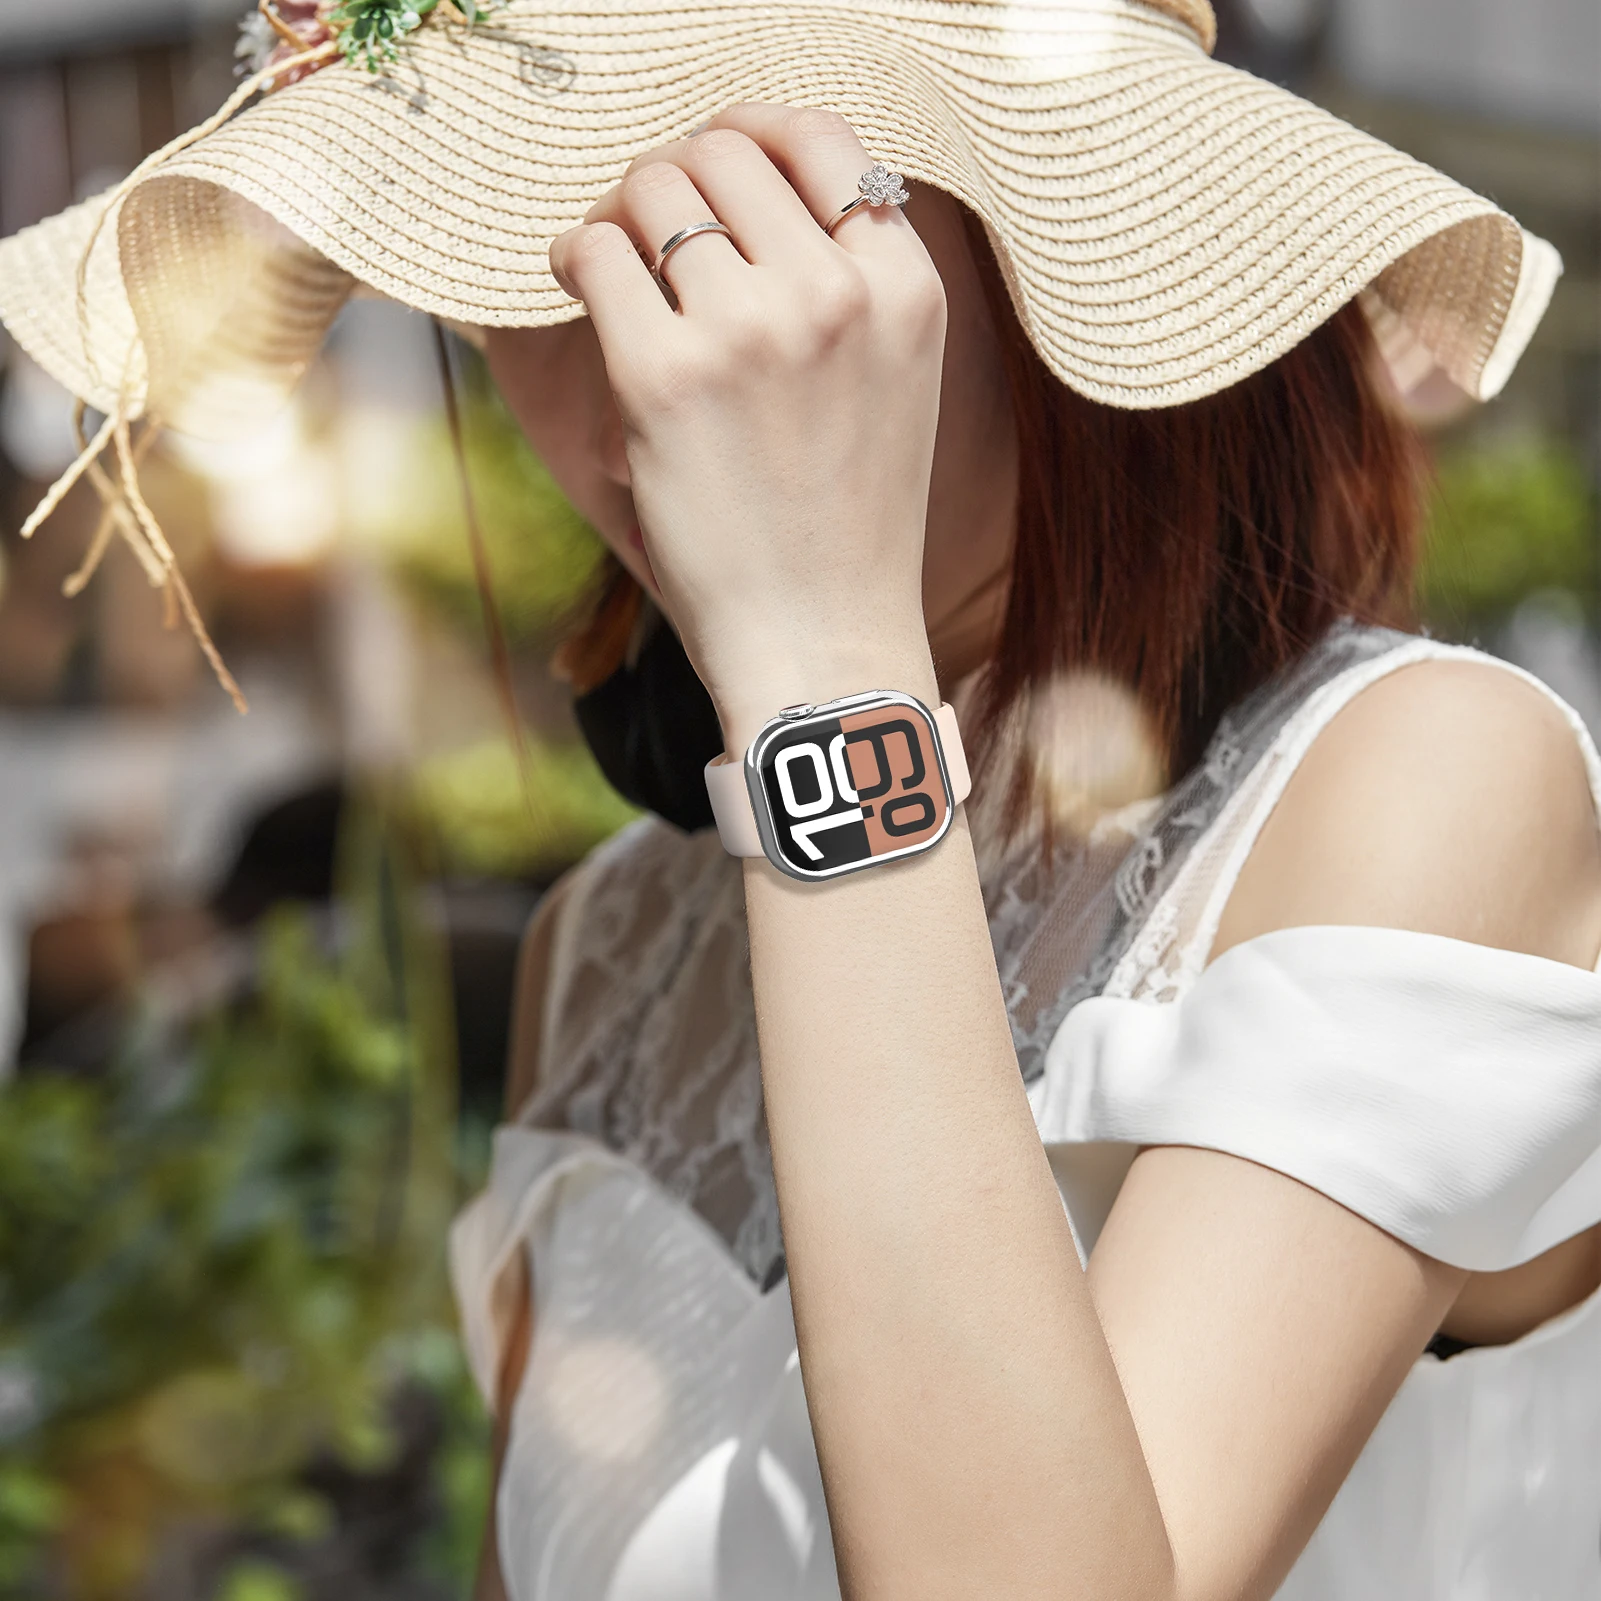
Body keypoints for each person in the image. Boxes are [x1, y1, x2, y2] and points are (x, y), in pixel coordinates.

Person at [3, 4, 1597, 1598]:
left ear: (1052, 229)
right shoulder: (611, 953)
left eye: (715, 233)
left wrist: (820, 657)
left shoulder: (1418, 779)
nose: (641, 365)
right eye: (529, 272)